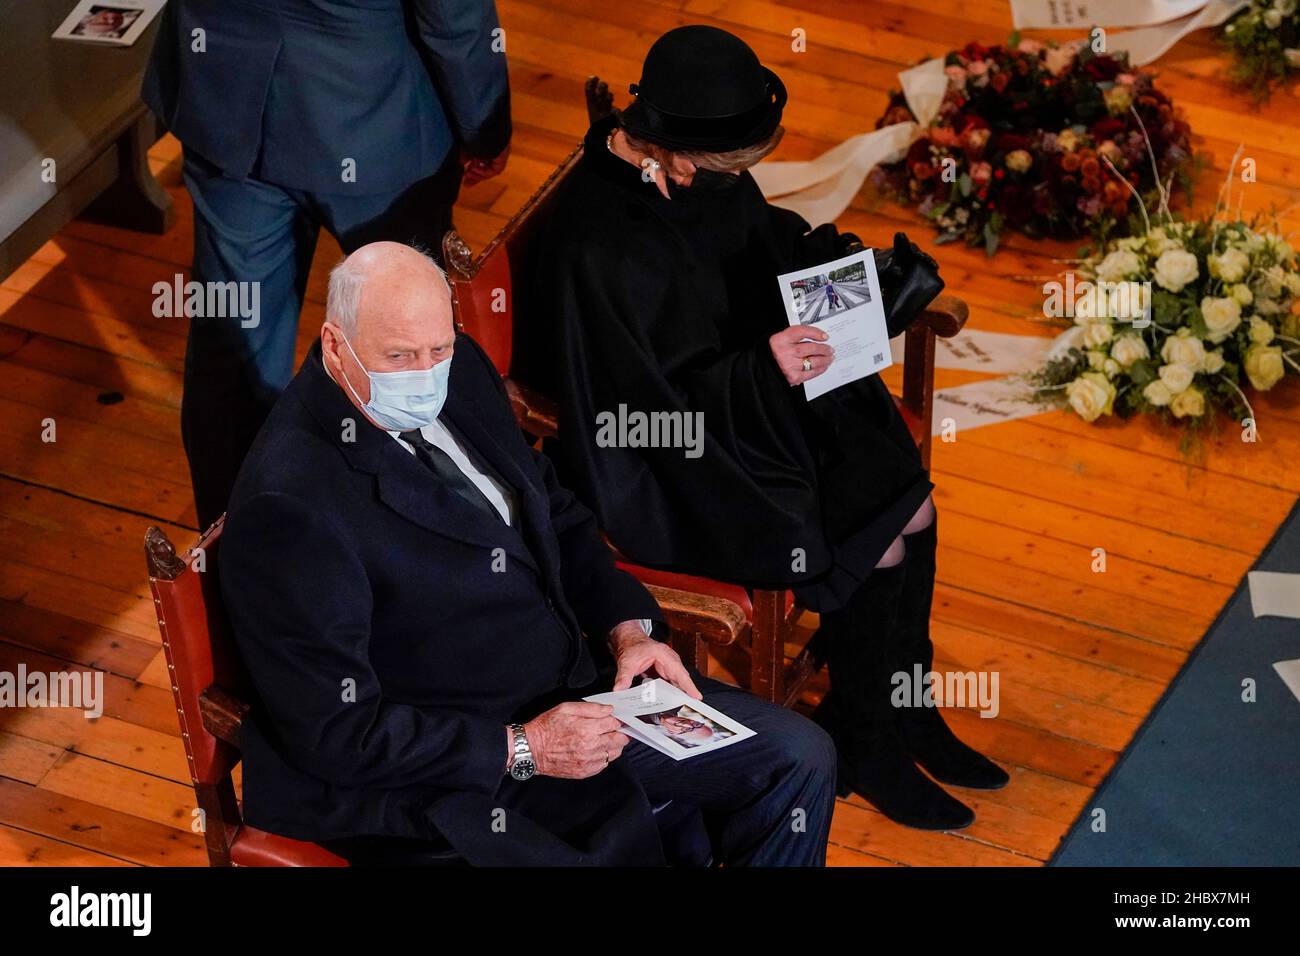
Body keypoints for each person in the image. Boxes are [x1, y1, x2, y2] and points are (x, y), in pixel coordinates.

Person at [217, 241, 837, 866]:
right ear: (333, 344)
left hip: (582, 687)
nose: (427, 372)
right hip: (462, 764)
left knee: (799, 759)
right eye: (400, 356)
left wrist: (627, 628)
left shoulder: (459, 372)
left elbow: (555, 514)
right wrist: (522, 746)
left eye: (439, 349)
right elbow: (336, 730)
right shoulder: (290, 504)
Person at [535, 26, 1009, 831]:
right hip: (674, 461)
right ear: (675, 151)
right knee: (878, 535)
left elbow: (751, 242)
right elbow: (632, 411)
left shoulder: (690, 170)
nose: (732, 182)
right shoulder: (597, 245)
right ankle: (867, 739)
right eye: (722, 169)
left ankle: (907, 704)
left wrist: (833, 270)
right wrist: (762, 371)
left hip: (749, 395)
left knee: (913, 505)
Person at [142, 0, 513, 529]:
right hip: (375, 118)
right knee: (413, 351)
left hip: (226, 95)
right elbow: (451, 14)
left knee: (234, 350)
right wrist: (485, 122)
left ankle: (241, 556)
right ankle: (436, 548)